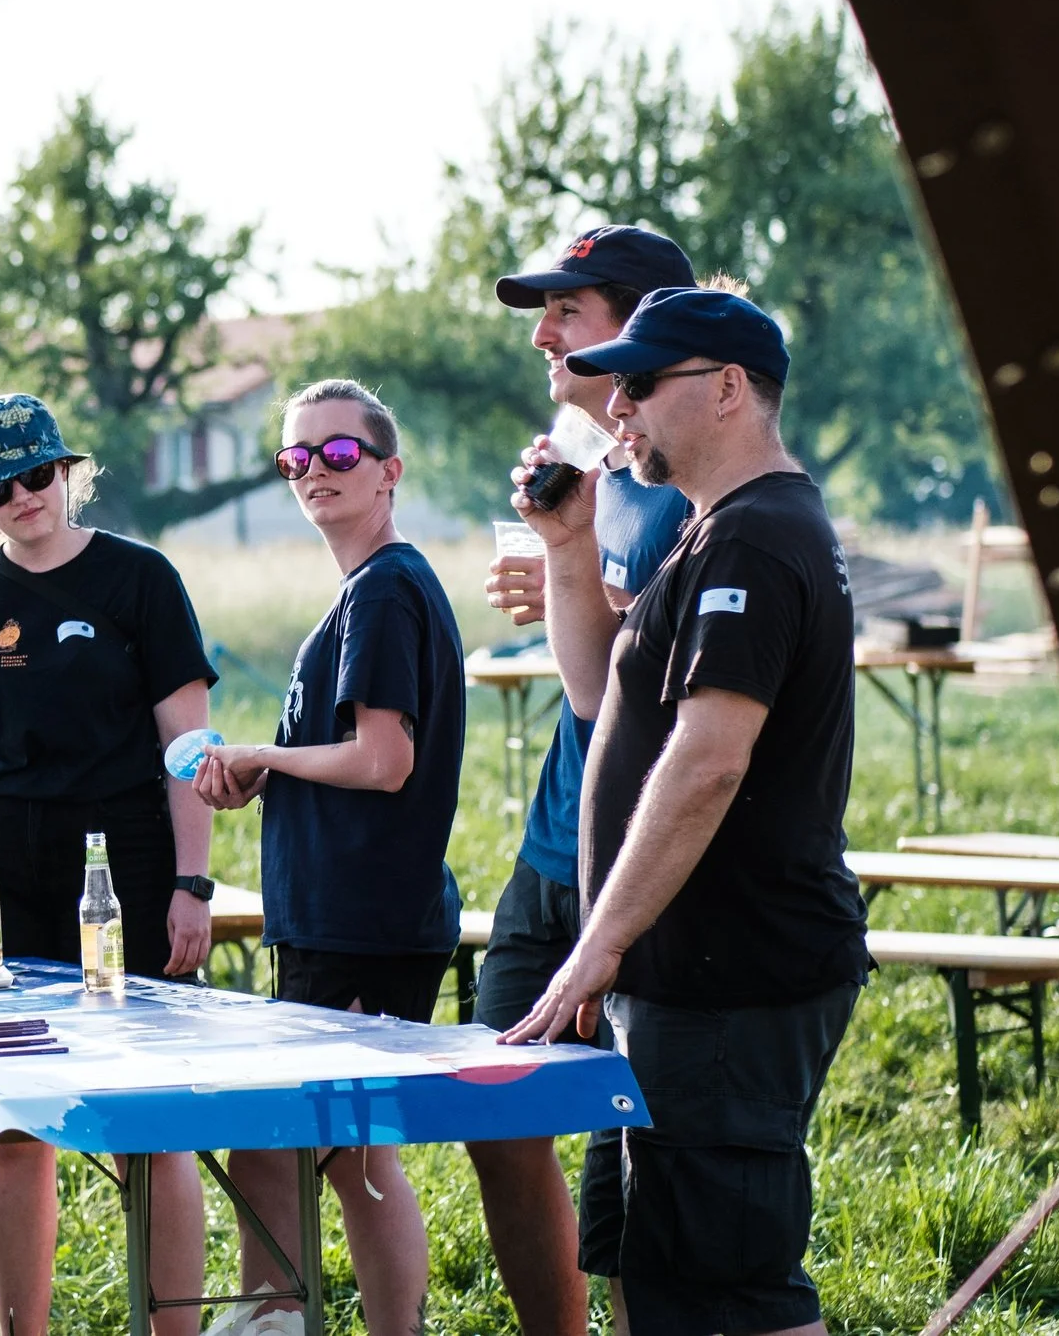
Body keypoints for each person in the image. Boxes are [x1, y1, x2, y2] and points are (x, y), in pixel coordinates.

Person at [501, 289, 867, 1336]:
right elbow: (594, 696)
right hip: (679, 976)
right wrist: (570, 542)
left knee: (735, 1285)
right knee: (654, 1265)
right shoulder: (716, 531)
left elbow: (707, 760)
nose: (616, 407)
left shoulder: (754, 538)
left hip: (731, 978)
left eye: (641, 382)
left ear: (725, 389)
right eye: (613, 382)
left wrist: (594, 946)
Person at [0, 391, 217, 1336]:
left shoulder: (142, 581)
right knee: (14, 1121)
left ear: (68, 472)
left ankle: (174, 1328)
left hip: (123, 865)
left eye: (37, 474)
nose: (24, 497)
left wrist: (192, 884)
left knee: (149, 1121)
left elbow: (190, 747)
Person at [192, 379, 465, 1336]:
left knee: (278, 1146)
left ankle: (268, 1320)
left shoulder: (386, 588)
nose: (316, 470)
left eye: (340, 452)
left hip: (361, 922)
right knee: (353, 1156)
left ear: (389, 471)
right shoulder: (367, 589)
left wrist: (264, 754)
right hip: (355, 918)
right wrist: (274, 772)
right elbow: (355, 756)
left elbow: (386, 761)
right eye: (296, 456)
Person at [466, 226, 697, 1336]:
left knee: (633, 1154)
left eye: (569, 308)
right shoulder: (597, 470)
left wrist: (574, 578)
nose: (543, 332)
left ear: (643, 328)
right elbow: (590, 684)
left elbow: (636, 699)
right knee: (490, 1107)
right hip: (554, 848)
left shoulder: (688, 494)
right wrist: (561, 557)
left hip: (641, 863)